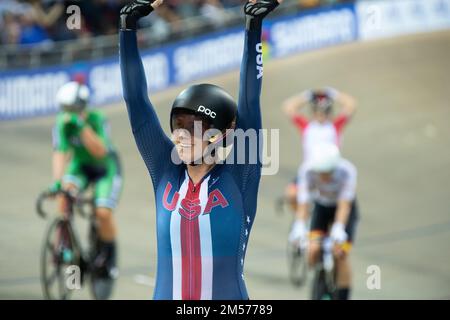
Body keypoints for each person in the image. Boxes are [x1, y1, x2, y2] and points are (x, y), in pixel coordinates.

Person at [119, 0, 281, 300]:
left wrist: (252, 27)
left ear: (220, 135)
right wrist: (127, 28)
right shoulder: (164, 168)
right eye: (176, 125)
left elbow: (249, 103)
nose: (179, 136)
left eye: (191, 128)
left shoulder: (239, 175)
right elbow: (136, 101)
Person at [50, 81, 123, 280]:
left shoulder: (97, 119)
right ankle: (65, 246)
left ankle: (109, 258)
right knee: (65, 194)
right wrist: (58, 182)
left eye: (71, 109)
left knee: (102, 212)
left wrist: (82, 127)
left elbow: (100, 151)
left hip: (105, 168)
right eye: (65, 109)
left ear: (82, 106)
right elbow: (60, 152)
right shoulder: (62, 123)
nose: (67, 113)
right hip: (81, 166)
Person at [289, 143, 359, 300]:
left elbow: (344, 205)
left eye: (327, 173)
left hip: (343, 209)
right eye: (320, 173)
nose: (323, 177)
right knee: (312, 250)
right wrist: (299, 226)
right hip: (322, 207)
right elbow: (304, 202)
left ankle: (342, 296)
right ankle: (320, 278)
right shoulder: (307, 170)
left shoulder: (347, 171)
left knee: (341, 254)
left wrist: (339, 227)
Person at [281, 88, 357, 213]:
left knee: (335, 202)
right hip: (310, 172)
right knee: (291, 194)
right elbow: (287, 107)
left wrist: (333, 93)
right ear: (313, 113)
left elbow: (351, 105)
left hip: (329, 171)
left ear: (329, 113)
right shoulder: (306, 126)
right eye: (318, 111)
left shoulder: (335, 126)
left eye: (325, 112)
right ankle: (303, 219)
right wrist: (307, 95)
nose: (321, 115)